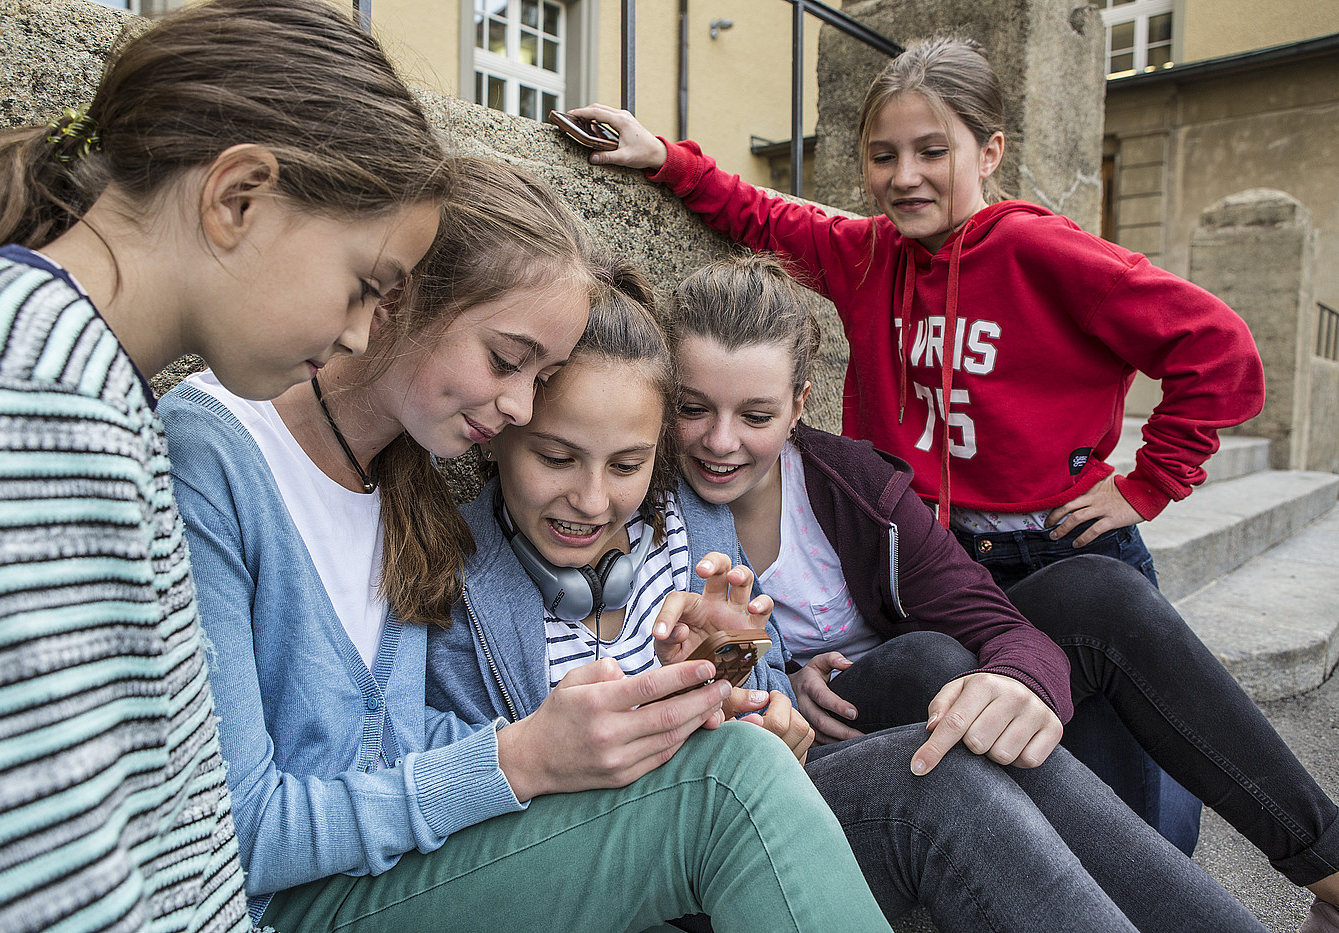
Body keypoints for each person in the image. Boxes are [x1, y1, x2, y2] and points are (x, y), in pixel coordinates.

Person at [567, 34, 1268, 855]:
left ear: (990, 150)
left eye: (932, 151)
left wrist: (1150, 482)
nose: (904, 176)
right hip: (941, 545)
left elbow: (1219, 349)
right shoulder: (866, 256)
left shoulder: (1044, 252)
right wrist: (666, 161)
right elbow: (762, 215)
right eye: (882, 154)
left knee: (1134, 762)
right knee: (1009, 734)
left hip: (1056, 539)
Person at [424, 253, 1268, 933]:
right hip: (622, 859)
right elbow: (463, 808)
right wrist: (559, 742)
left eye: (626, 463)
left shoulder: (685, 521)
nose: (593, 499)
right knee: (939, 768)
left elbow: (757, 692)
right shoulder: (452, 576)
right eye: (556, 457)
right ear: (502, 432)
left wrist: (750, 690)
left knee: (955, 744)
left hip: (750, 810)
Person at [160, 157, 889, 933]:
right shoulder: (216, 449)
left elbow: (405, 743)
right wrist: (520, 756)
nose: (513, 405)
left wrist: (656, 707)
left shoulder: (401, 478)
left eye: (536, 377)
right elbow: (231, 835)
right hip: (295, 901)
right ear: (401, 295)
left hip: (411, 868)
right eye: (507, 362)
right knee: (732, 784)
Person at [0, 1, 448, 931]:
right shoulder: (34, 392)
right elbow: (33, 870)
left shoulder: (73, 375)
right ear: (238, 196)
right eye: (365, 285)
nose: (360, 331)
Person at [663, 252, 1339, 933]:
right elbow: (719, 681)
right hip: (826, 738)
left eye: (755, 414)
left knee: (1099, 593)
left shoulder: (852, 484)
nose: (721, 441)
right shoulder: (654, 506)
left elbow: (996, 620)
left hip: (922, 691)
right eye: (694, 409)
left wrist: (1018, 679)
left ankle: (1330, 865)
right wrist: (776, 680)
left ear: (800, 404)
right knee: (936, 661)